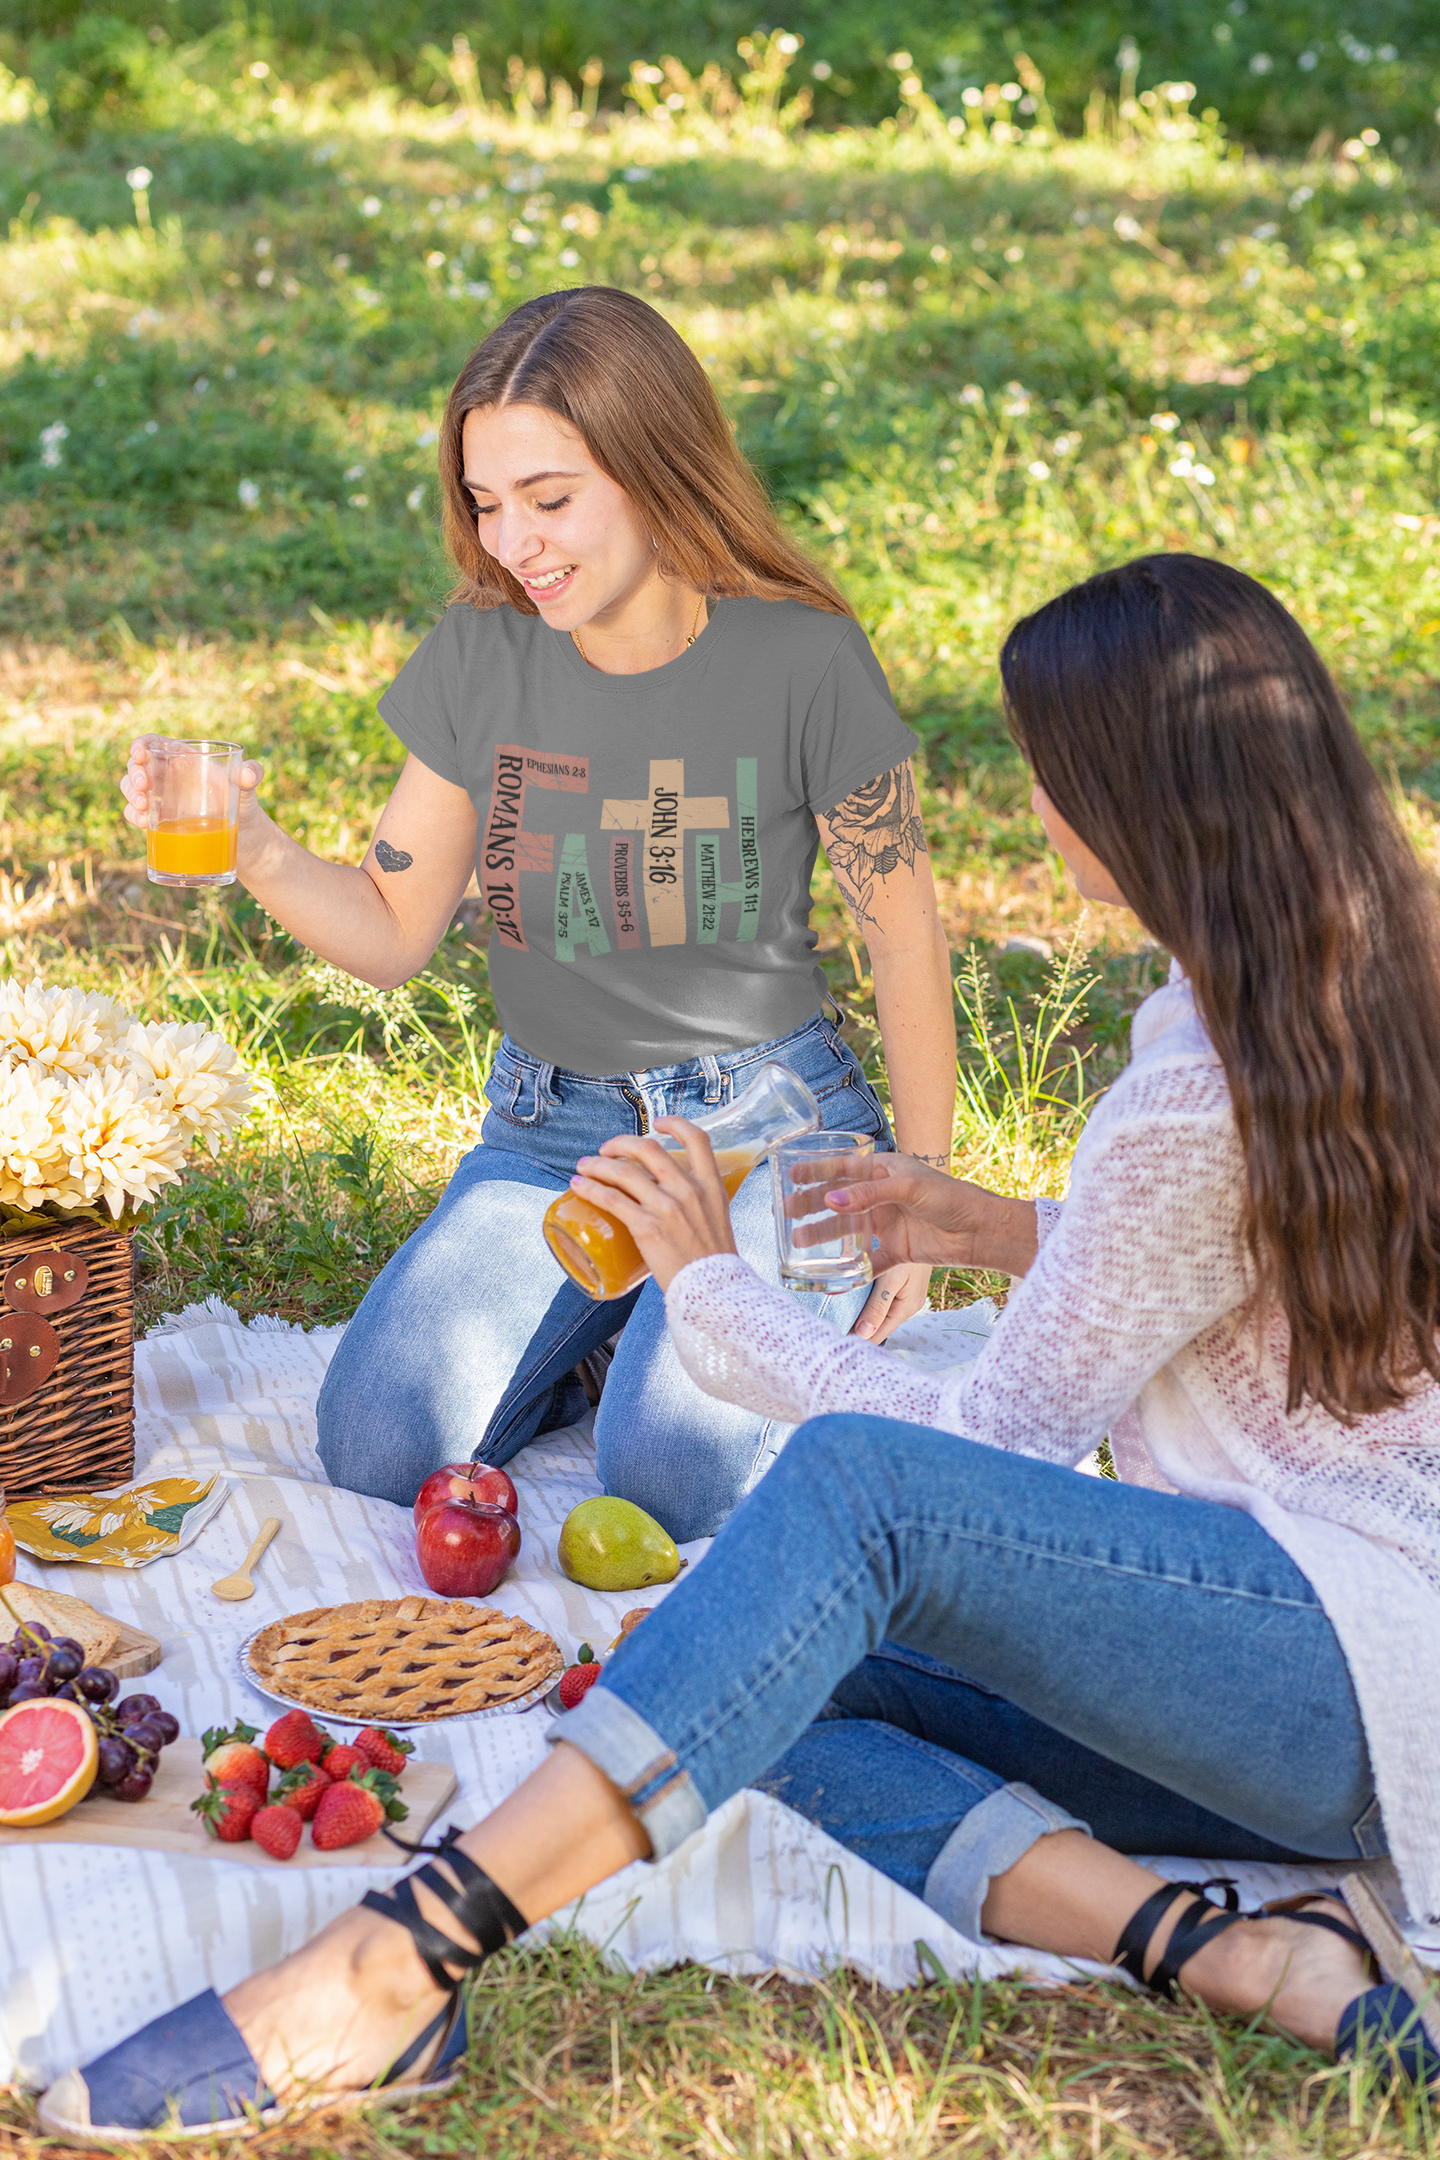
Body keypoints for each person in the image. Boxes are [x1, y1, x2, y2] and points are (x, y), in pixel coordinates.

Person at [65, 553, 1439, 2140]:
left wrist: (707, 1285)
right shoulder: (1343, 968)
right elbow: (1254, 1246)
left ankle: (398, 1964)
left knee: (854, 1492)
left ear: (1131, 798)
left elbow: (978, 1451)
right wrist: (999, 1227)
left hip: (1346, 1671)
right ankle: (1229, 1954)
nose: (1038, 808)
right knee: (742, 1664)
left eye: (1047, 773)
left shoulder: (1202, 1084)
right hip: (1282, 1665)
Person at [120, 286, 955, 1543]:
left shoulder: (802, 660)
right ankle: (615, 1321)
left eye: (550, 499)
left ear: (656, 466)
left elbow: (904, 938)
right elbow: (397, 929)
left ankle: (690, 1333)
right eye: (485, 501)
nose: (514, 541)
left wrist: (919, 1198)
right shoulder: (483, 655)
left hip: (768, 1128)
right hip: (553, 1130)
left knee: (675, 1475)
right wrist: (257, 848)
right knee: (378, 1443)